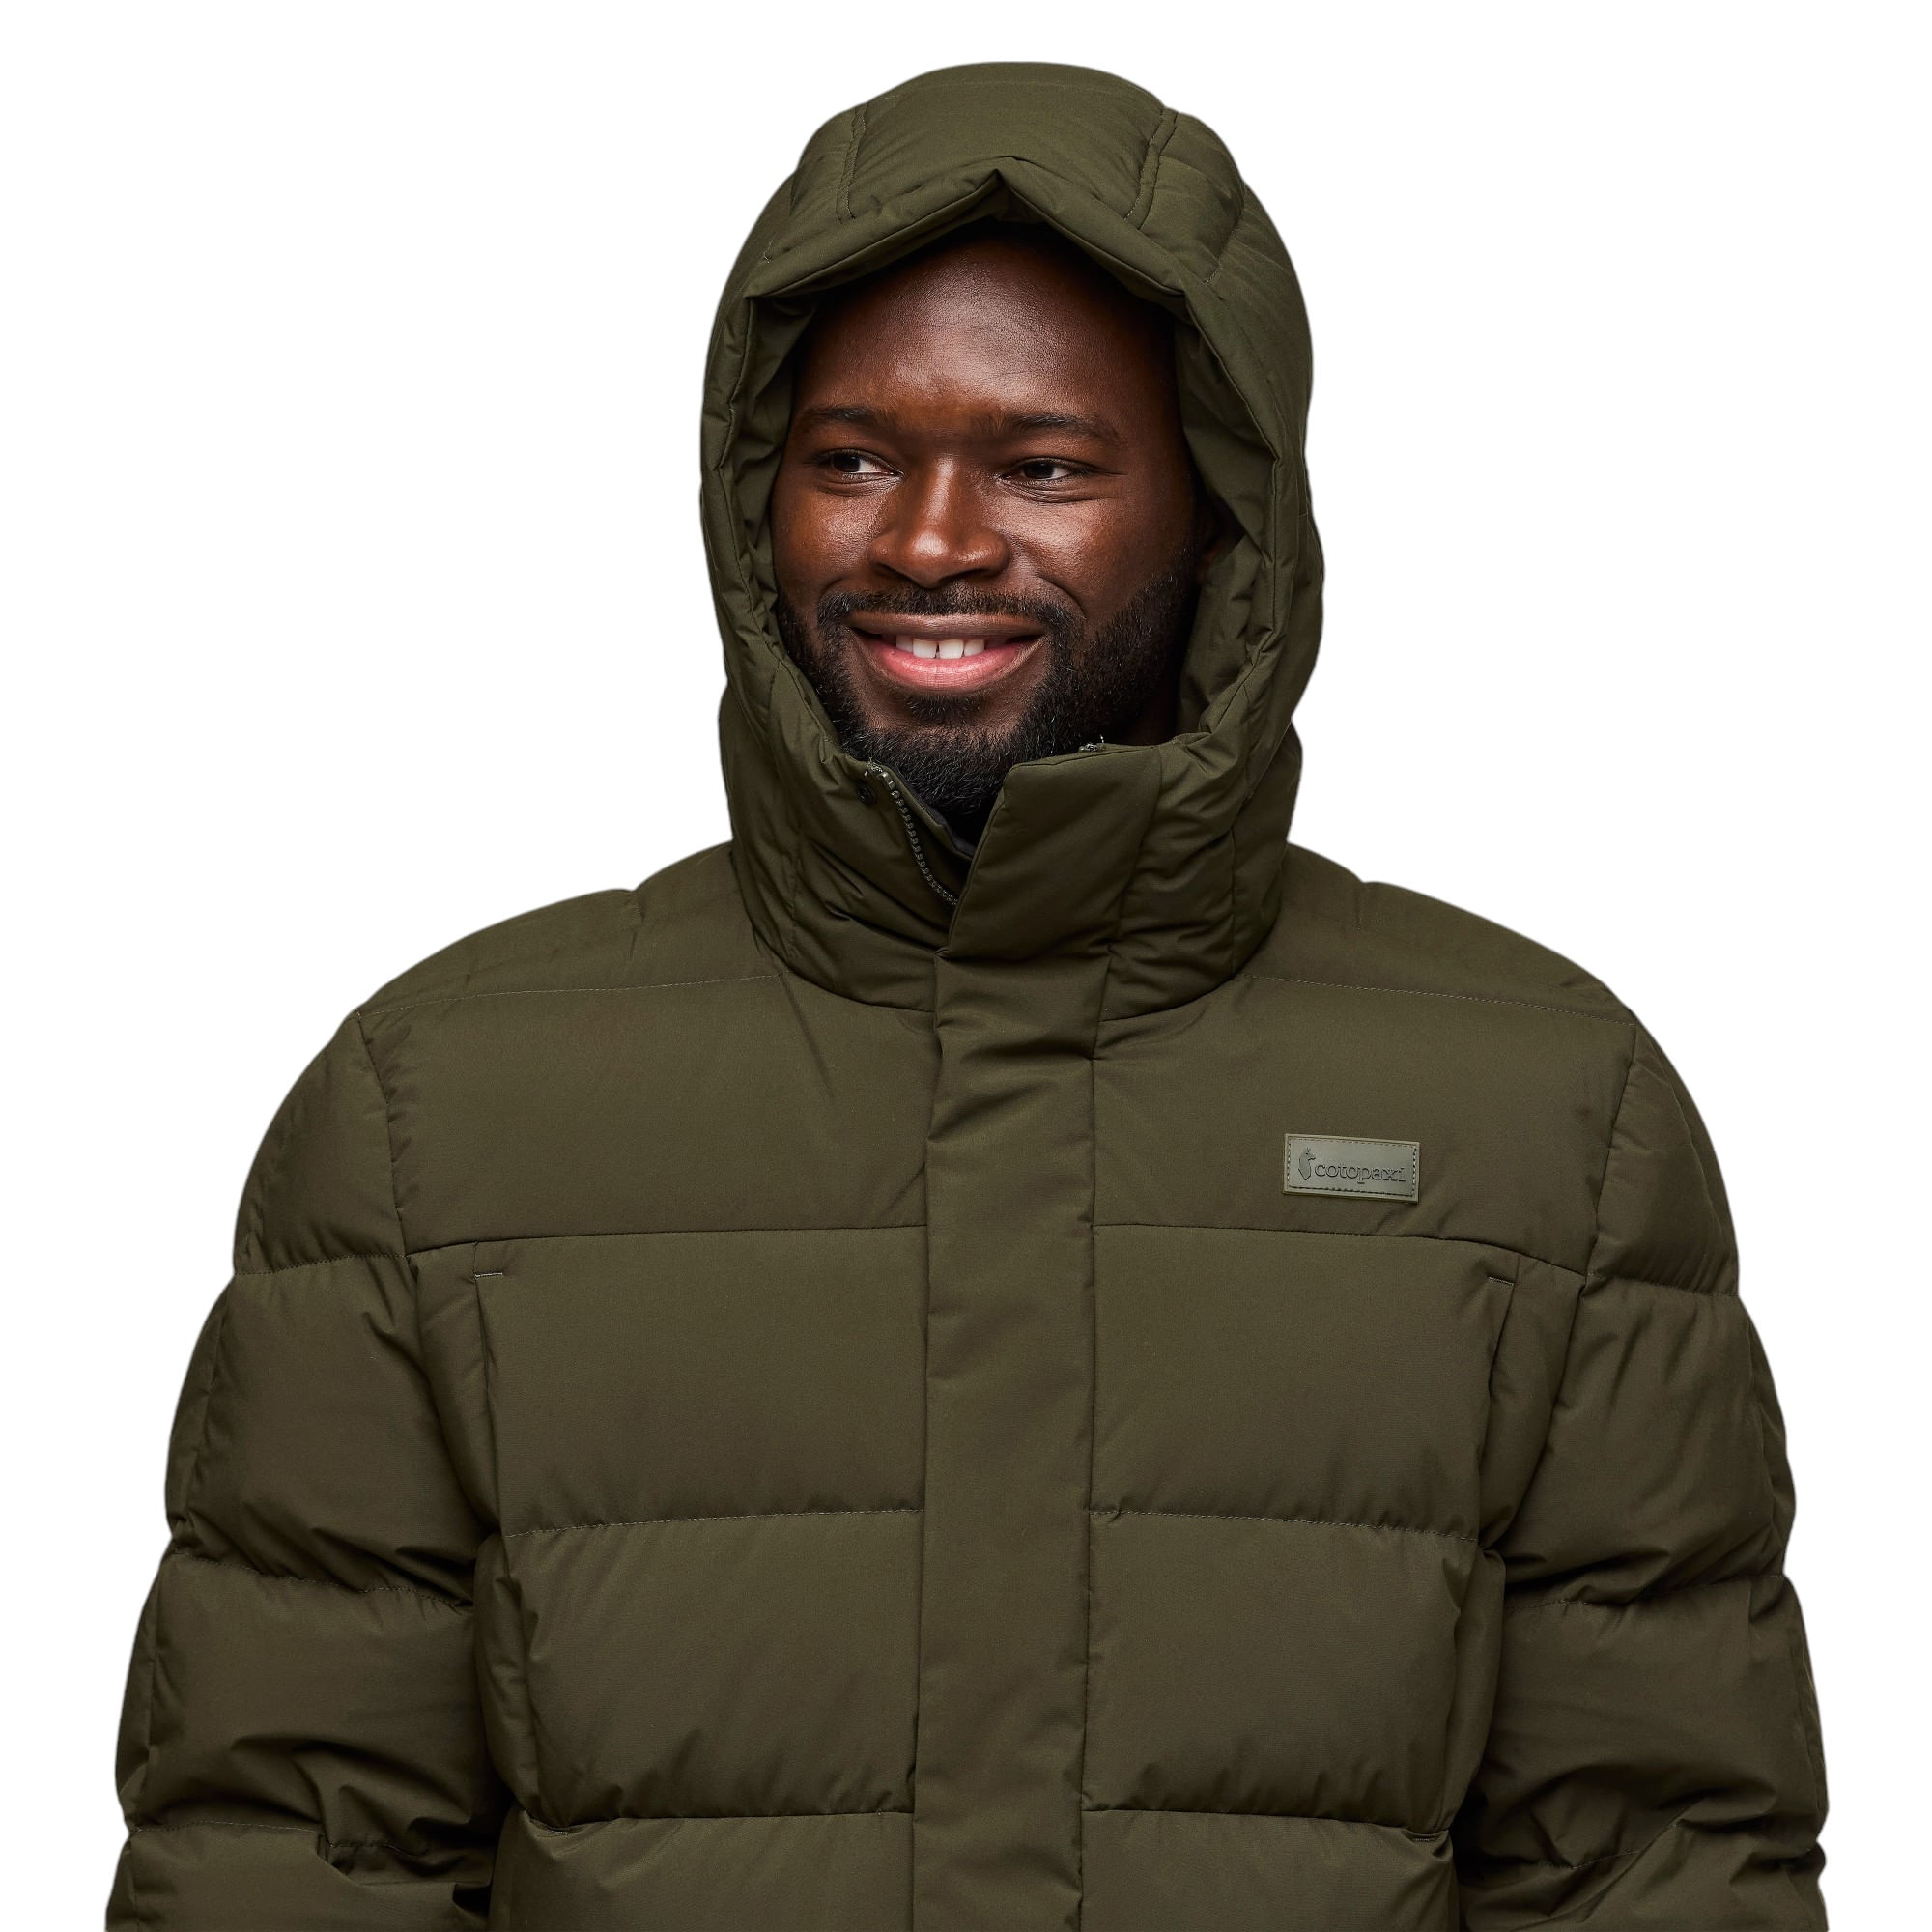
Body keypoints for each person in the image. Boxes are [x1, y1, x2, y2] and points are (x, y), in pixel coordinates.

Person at [108, 61, 1827, 1932]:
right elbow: (288, 1859)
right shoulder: (435, 1119)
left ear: (1223, 514)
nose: (929, 541)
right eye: (852, 459)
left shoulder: (1546, 1124)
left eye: (1043, 465)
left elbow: (1653, 1870)